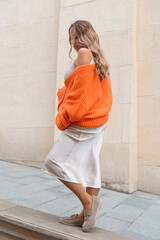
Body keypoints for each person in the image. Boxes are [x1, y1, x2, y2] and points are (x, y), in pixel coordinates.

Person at [41, 20, 113, 232]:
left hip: (82, 121)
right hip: (97, 120)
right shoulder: (96, 55)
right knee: (92, 164)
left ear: (82, 36)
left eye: (74, 36)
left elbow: (80, 94)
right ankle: (84, 216)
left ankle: (88, 203)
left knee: (53, 161)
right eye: (71, 37)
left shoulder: (83, 52)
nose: (72, 42)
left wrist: (65, 116)